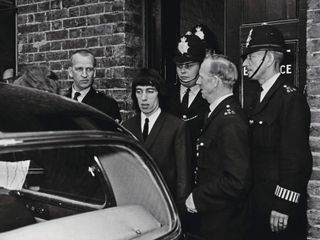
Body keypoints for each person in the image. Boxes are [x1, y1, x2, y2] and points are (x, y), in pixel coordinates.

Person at [242, 24, 312, 240]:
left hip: (278, 211)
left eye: (250, 57)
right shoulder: (256, 97)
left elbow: (296, 158)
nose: (245, 63)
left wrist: (284, 204)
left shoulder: (290, 99)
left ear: (269, 59)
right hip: (257, 204)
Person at [185, 54, 251, 240]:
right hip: (214, 218)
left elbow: (237, 181)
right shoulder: (217, 114)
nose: (198, 82)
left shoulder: (230, 121)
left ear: (214, 82)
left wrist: (199, 197)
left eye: (202, 78)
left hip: (225, 224)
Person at [122, 68, 191, 213]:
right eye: (139, 92)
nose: (144, 98)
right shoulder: (127, 126)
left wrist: (179, 212)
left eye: (150, 91)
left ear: (160, 93)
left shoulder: (176, 126)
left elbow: (183, 178)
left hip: (165, 206)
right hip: (134, 206)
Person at [67, 49, 121, 122]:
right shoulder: (59, 100)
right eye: (79, 69)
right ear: (70, 72)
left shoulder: (107, 104)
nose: (84, 75)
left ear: (94, 72)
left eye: (89, 69)